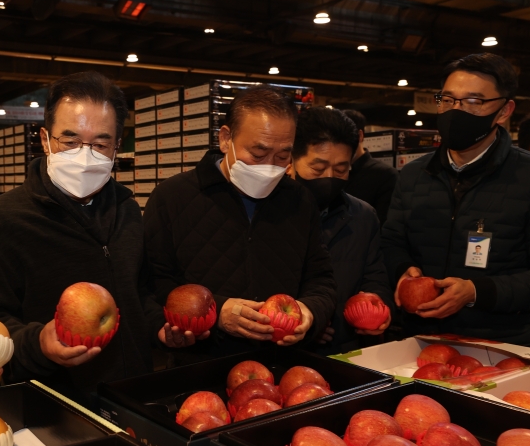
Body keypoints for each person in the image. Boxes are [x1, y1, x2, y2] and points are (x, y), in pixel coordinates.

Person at [0, 71, 185, 405]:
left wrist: (159, 327)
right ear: (45, 139)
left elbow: (138, 291)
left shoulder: (127, 211)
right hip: (51, 407)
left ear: (117, 147)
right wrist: (39, 343)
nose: (84, 155)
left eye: (100, 143)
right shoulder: (0, 222)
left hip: (133, 396)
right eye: (69, 141)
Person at [381, 53, 530, 345]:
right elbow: (391, 241)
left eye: (473, 102)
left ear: (504, 110)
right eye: (448, 100)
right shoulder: (414, 174)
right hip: (420, 339)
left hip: (501, 345)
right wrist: (401, 272)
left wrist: (477, 292)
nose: (456, 110)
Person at [144, 85, 336, 363]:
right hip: (199, 365)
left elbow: (321, 278)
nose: (269, 166)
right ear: (225, 139)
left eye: (283, 156)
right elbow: (155, 283)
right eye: (258, 154)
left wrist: (310, 312)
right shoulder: (172, 198)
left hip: (283, 365)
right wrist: (216, 311)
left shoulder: (300, 200)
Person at [288, 107, 393, 355]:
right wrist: (309, 320)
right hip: (283, 354)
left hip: (345, 351)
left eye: (341, 169)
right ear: (291, 160)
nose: (329, 177)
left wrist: (381, 309)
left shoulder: (363, 216)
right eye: (318, 168)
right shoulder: (269, 213)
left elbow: (375, 277)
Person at [341, 109, 398, 224]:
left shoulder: (385, 175)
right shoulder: (329, 172)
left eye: (342, 138)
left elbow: (384, 225)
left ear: (360, 136)